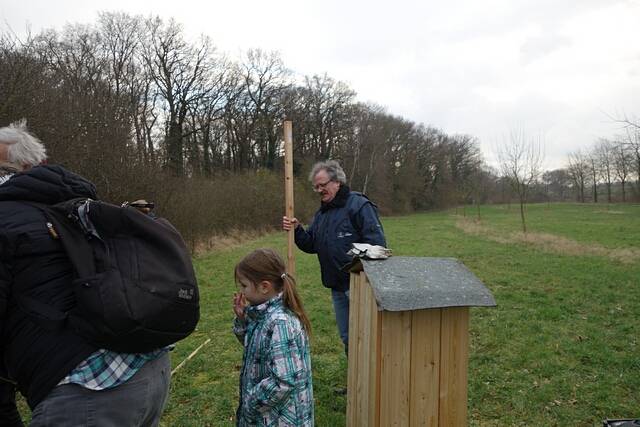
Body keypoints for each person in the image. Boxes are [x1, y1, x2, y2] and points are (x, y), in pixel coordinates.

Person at [0, 120, 170, 426]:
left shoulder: (8, 221)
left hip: (87, 390)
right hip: (149, 368)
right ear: (40, 164)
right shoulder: (83, 206)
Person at [282, 160, 386, 355]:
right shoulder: (322, 214)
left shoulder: (359, 205)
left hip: (359, 285)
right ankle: (354, 384)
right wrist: (297, 230)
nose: (320, 190)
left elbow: (377, 246)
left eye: (323, 185)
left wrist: (362, 276)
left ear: (337, 181)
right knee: (348, 337)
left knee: (366, 336)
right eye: (316, 187)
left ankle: (370, 383)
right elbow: (311, 244)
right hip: (337, 288)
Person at [232, 248, 314, 426]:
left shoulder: (280, 323)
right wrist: (242, 320)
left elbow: (283, 382)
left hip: (279, 419)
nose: (241, 291)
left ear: (264, 287)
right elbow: (255, 348)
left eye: (244, 285)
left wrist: (250, 401)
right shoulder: (263, 314)